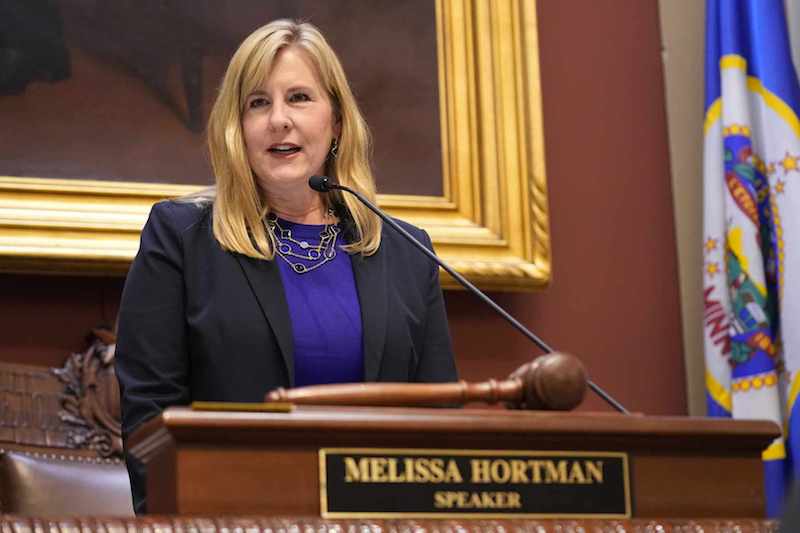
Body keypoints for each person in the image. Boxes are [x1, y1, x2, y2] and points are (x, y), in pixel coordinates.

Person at [115, 19, 458, 514]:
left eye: (299, 98)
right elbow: (150, 416)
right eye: (258, 103)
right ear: (237, 128)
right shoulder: (182, 239)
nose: (278, 119)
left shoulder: (406, 252)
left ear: (336, 121)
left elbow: (440, 420)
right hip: (229, 521)